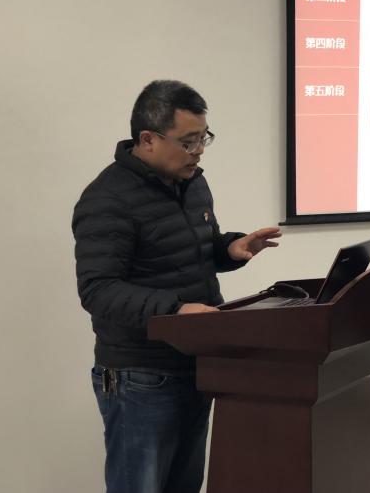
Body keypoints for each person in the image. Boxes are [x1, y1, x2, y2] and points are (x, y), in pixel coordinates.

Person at [73, 80, 282, 493]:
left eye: (204, 138)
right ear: (148, 139)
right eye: (188, 142)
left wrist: (229, 249)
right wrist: (176, 310)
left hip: (196, 360)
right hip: (140, 374)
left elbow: (191, 253)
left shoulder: (192, 184)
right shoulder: (107, 200)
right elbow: (98, 290)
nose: (199, 151)